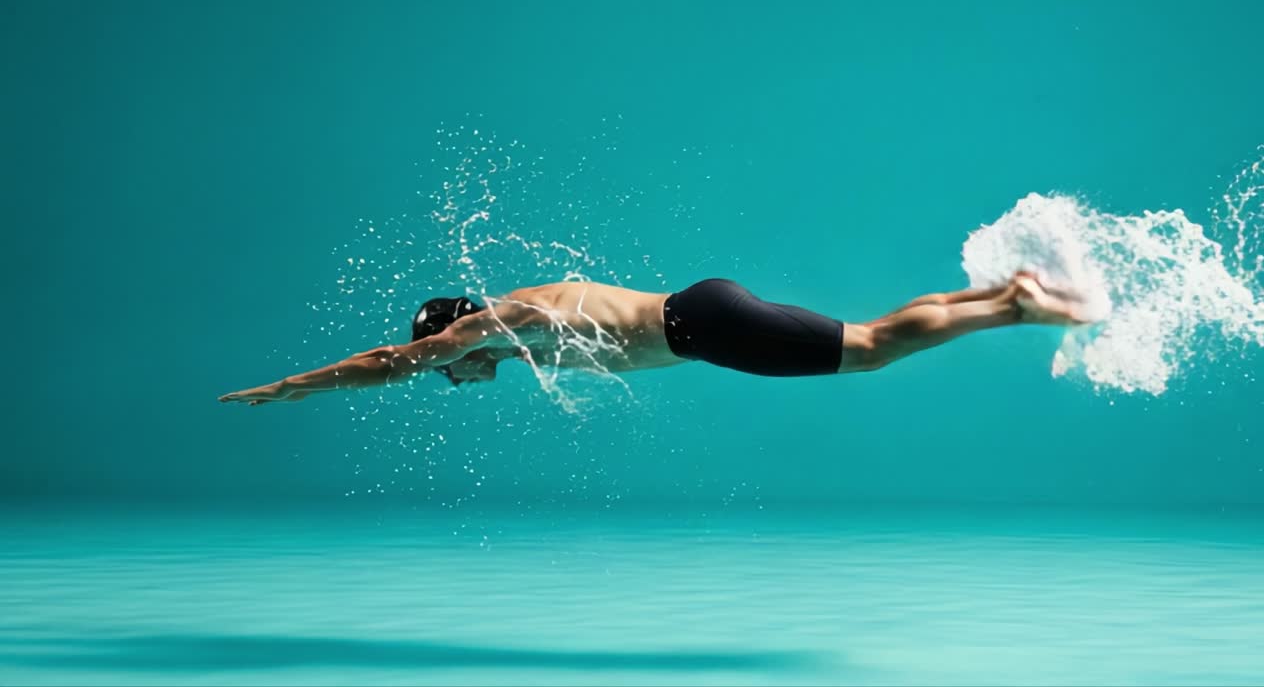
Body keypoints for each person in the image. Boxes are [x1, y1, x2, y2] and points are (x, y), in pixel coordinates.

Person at [219, 272, 1087, 406]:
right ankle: (998, 292)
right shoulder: (519, 326)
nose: (450, 374)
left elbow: (389, 365)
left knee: (866, 350)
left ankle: (1014, 308)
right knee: (864, 339)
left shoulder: (498, 323)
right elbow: (414, 367)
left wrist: (291, 387)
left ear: (453, 334)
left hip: (703, 323)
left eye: (448, 360)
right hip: (700, 318)